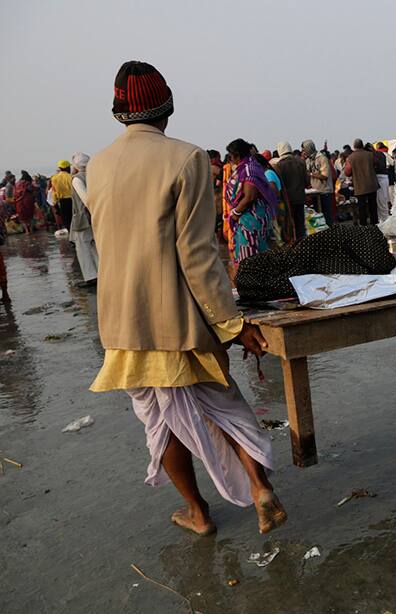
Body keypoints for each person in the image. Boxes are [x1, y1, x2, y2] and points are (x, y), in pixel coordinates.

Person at [87, 61, 285, 536]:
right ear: (168, 107)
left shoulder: (96, 165)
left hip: (122, 325)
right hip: (179, 319)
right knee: (222, 404)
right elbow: (197, 255)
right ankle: (259, 489)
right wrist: (233, 323)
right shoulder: (187, 158)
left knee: (161, 422)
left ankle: (197, 513)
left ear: (118, 113)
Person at [224, 138, 278, 269]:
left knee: (249, 258)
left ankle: (253, 285)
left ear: (237, 155)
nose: (231, 160)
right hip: (251, 217)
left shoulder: (249, 169)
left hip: (250, 219)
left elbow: (250, 196)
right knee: (254, 256)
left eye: (231, 157)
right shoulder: (249, 166)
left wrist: (236, 212)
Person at [69, 153, 99, 287]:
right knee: (95, 246)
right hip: (95, 216)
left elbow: (86, 200)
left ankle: (91, 277)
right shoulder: (94, 176)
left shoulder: (77, 179)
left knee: (82, 248)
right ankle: (100, 273)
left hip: (83, 218)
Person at [273, 141, 308, 241]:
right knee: (300, 224)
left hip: (287, 200)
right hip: (300, 198)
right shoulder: (301, 162)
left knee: (289, 226)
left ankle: (293, 247)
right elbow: (307, 181)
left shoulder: (279, 165)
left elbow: (279, 185)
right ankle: (303, 244)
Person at [344, 138, 378, 225]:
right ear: (362, 145)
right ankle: (375, 225)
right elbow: (376, 164)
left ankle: (364, 227)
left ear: (354, 147)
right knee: (373, 206)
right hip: (371, 184)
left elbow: (347, 172)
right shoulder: (370, 154)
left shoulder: (351, 158)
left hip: (360, 186)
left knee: (361, 208)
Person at [302, 139, 334, 227]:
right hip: (315, 193)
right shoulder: (308, 160)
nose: (303, 152)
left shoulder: (322, 158)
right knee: (319, 218)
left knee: (327, 218)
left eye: (304, 150)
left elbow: (324, 176)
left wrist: (311, 174)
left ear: (308, 148)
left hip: (325, 192)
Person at [49, 160, 75, 231]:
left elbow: (54, 192)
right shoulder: (71, 177)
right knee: (74, 218)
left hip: (62, 201)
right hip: (72, 200)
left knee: (66, 219)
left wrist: (55, 204)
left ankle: (70, 234)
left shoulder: (54, 178)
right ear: (67, 167)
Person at [372, 142, 390, 221]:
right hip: (386, 178)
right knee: (384, 201)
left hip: (380, 179)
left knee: (381, 202)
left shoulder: (377, 155)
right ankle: (384, 220)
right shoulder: (385, 154)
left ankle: (384, 221)